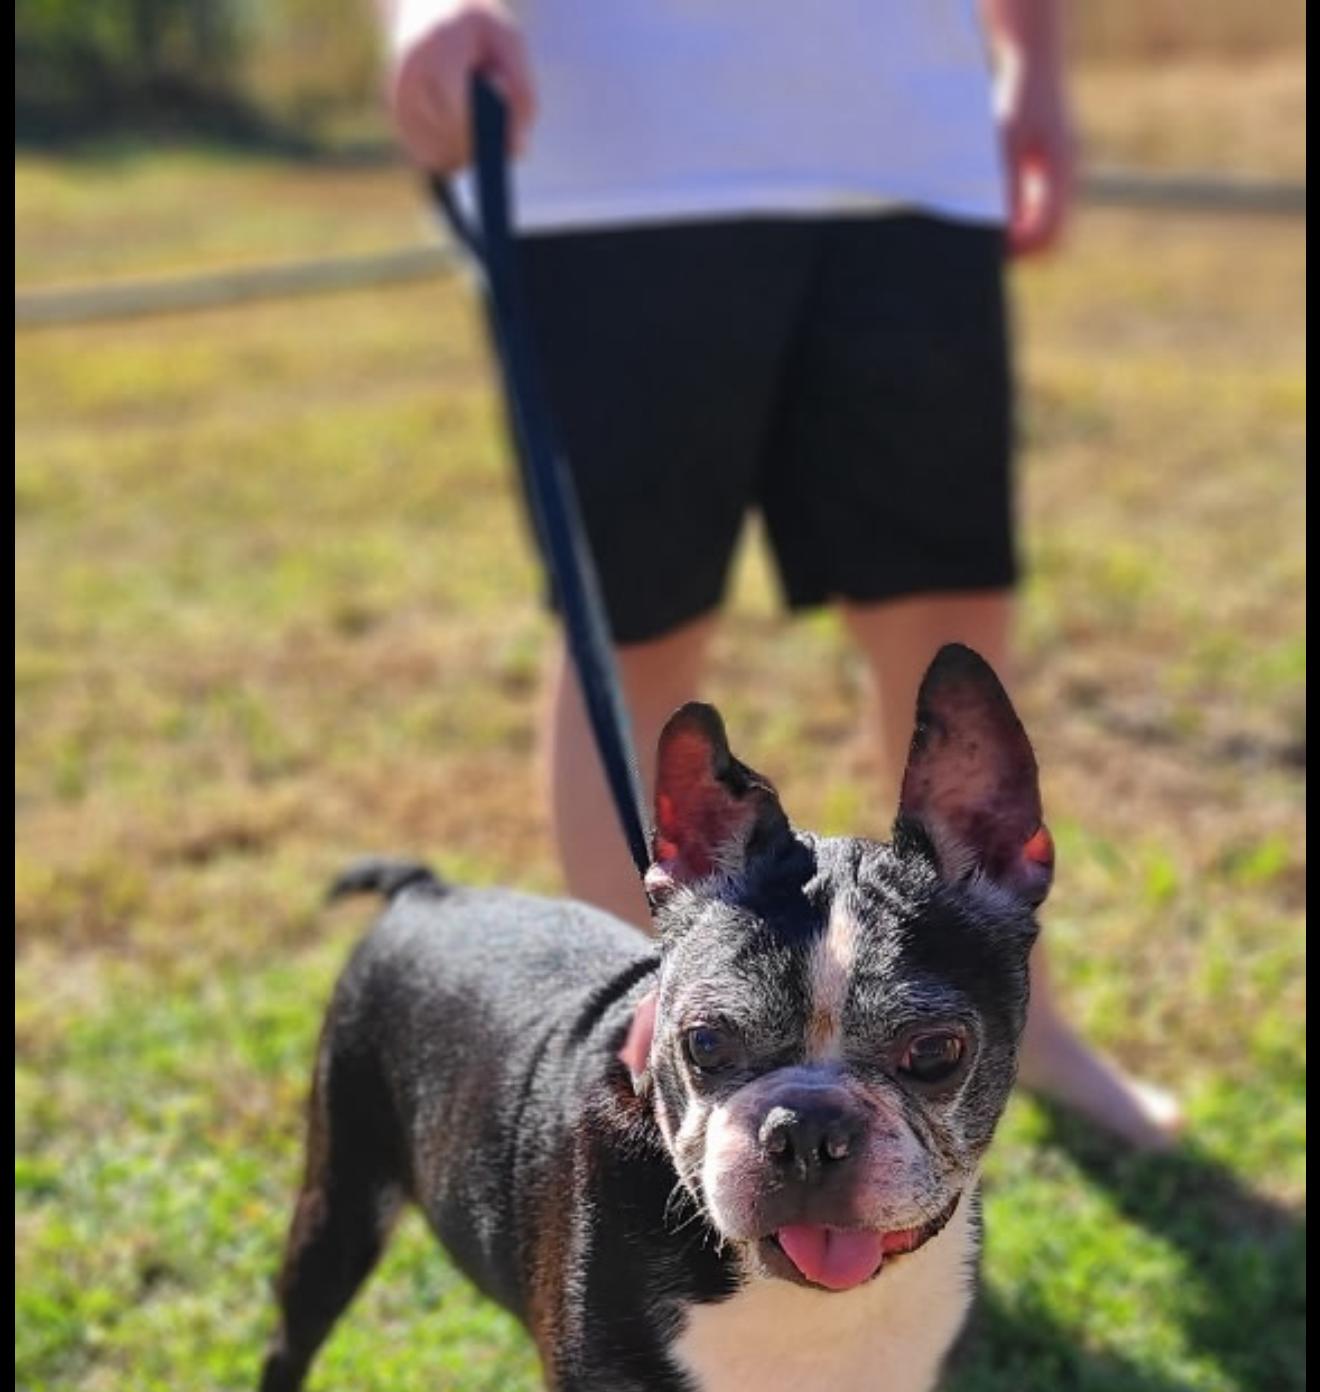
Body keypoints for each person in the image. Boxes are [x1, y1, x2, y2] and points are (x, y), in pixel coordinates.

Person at [380, 0, 1179, 1148]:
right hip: (614, 148)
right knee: (636, 631)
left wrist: (1034, 66)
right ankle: (641, 1051)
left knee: (949, 620)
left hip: (909, 141)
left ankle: (1022, 1017)